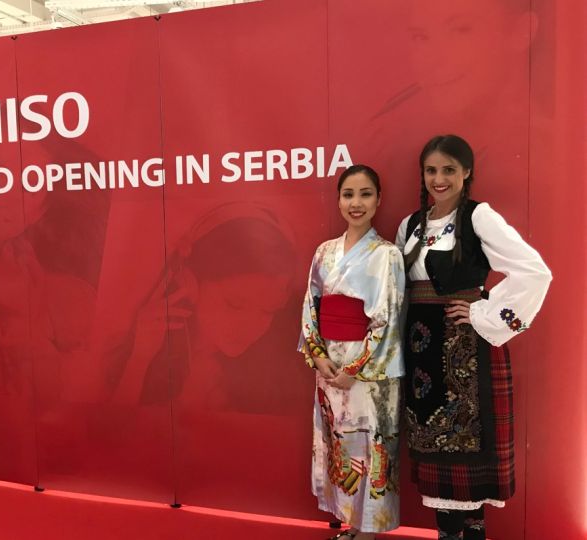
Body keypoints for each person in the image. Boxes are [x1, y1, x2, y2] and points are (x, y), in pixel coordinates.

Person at [395, 135, 551, 540]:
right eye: (431, 170)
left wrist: (483, 312)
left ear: (466, 172)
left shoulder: (479, 217)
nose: (439, 179)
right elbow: (397, 288)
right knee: (435, 452)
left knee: (468, 452)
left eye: (449, 170)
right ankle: (448, 534)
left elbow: (534, 271)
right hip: (422, 353)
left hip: (467, 350)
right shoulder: (410, 225)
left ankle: (473, 533)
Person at [107, 201, 301, 415]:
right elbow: (111, 431)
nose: (251, 326)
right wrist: (139, 359)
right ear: (189, 283)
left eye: (268, 311)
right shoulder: (140, 353)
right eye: (235, 304)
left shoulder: (279, 374)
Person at [299, 165, 406, 539]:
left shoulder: (387, 254)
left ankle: (368, 529)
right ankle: (349, 521)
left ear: (378, 200)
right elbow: (311, 305)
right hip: (329, 364)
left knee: (368, 444)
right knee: (338, 445)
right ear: (339, 200)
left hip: (368, 374)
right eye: (348, 194)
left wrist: (356, 368)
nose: (355, 203)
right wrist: (318, 355)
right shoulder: (324, 252)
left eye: (365, 194)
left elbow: (388, 318)